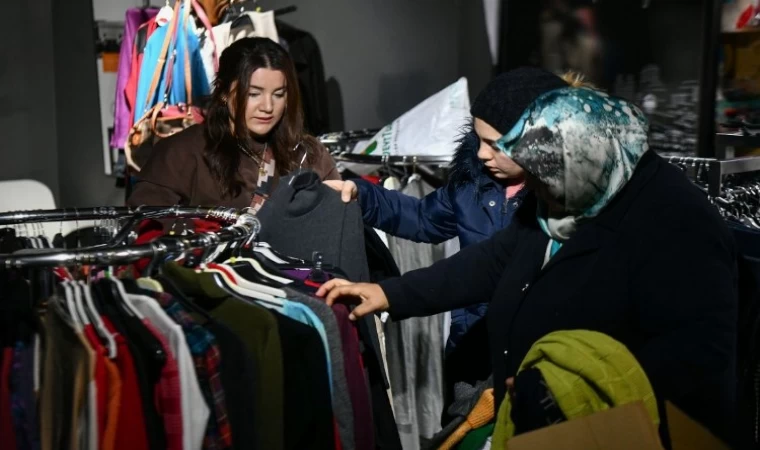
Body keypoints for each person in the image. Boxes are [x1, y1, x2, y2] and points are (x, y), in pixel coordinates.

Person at [318, 86, 737, 444]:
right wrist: (390, 293)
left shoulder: (677, 220)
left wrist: (561, 389)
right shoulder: (575, 197)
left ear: (583, 158)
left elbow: (697, 357)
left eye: (543, 180)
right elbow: (491, 261)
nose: (532, 190)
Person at [326, 67, 583, 356]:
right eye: (479, 139)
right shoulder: (472, 182)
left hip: (539, 353)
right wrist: (362, 194)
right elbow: (421, 218)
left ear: (537, 142)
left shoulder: (566, 204)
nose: (482, 154)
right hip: (472, 347)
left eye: (495, 145)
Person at [128, 37, 339, 209]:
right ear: (223, 92)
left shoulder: (308, 154)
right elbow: (146, 227)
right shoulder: (180, 153)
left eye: (278, 94)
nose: (267, 107)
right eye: (253, 94)